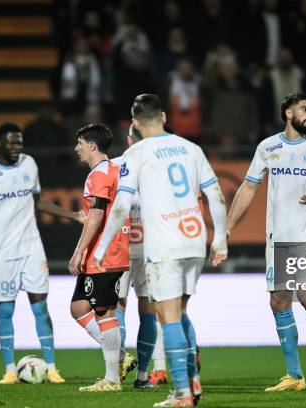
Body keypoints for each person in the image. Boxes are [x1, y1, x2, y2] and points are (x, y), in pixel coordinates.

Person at [93, 94, 228, 407]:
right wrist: (219, 237)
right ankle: (191, 381)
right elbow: (215, 193)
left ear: (136, 123)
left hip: (165, 244)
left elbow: (121, 206)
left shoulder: (135, 154)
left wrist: (102, 247)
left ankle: (182, 393)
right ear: (164, 117)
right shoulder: (192, 148)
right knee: (180, 313)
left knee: (168, 316)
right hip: (195, 239)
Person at [226, 91, 306, 391]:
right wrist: (227, 227)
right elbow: (247, 187)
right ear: (288, 113)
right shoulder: (268, 147)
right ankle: (295, 375)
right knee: (279, 301)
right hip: (278, 237)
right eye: (305, 109)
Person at [0, 122, 83, 384]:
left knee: (40, 308)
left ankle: (52, 368)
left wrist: (73, 215)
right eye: (12, 143)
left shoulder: (29, 164)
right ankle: (9, 369)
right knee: (5, 310)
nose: (17, 147)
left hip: (31, 247)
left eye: (20, 142)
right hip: (2, 252)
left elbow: (38, 201)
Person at [68, 123, 131, 392]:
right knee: (79, 308)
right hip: (105, 252)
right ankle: (121, 357)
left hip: (105, 253)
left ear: (92, 145)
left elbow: (96, 215)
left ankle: (112, 379)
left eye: (80, 143)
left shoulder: (100, 174)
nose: (76, 148)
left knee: (105, 311)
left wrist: (79, 250)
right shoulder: (115, 170)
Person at [109, 125, 159, 389]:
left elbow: (109, 209)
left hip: (121, 247)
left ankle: (115, 373)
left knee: (117, 307)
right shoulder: (161, 167)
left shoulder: (114, 166)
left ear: (129, 139)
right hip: (151, 249)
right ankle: (142, 377)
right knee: (148, 312)